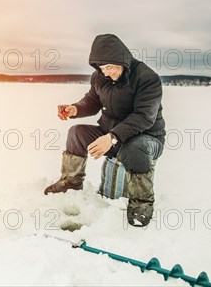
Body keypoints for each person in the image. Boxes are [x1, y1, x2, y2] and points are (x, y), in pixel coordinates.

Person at [44, 34, 166, 227]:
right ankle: (71, 182)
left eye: (109, 67)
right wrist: (75, 109)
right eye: (102, 68)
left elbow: (144, 117)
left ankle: (141, 203)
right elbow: (92, 101)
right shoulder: (100, 77)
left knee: (134, 148)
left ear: (122, 61)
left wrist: (113, 136)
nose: (106, 73)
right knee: (76, 133)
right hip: (111, 134)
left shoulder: (147, 78)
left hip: (147, 139)